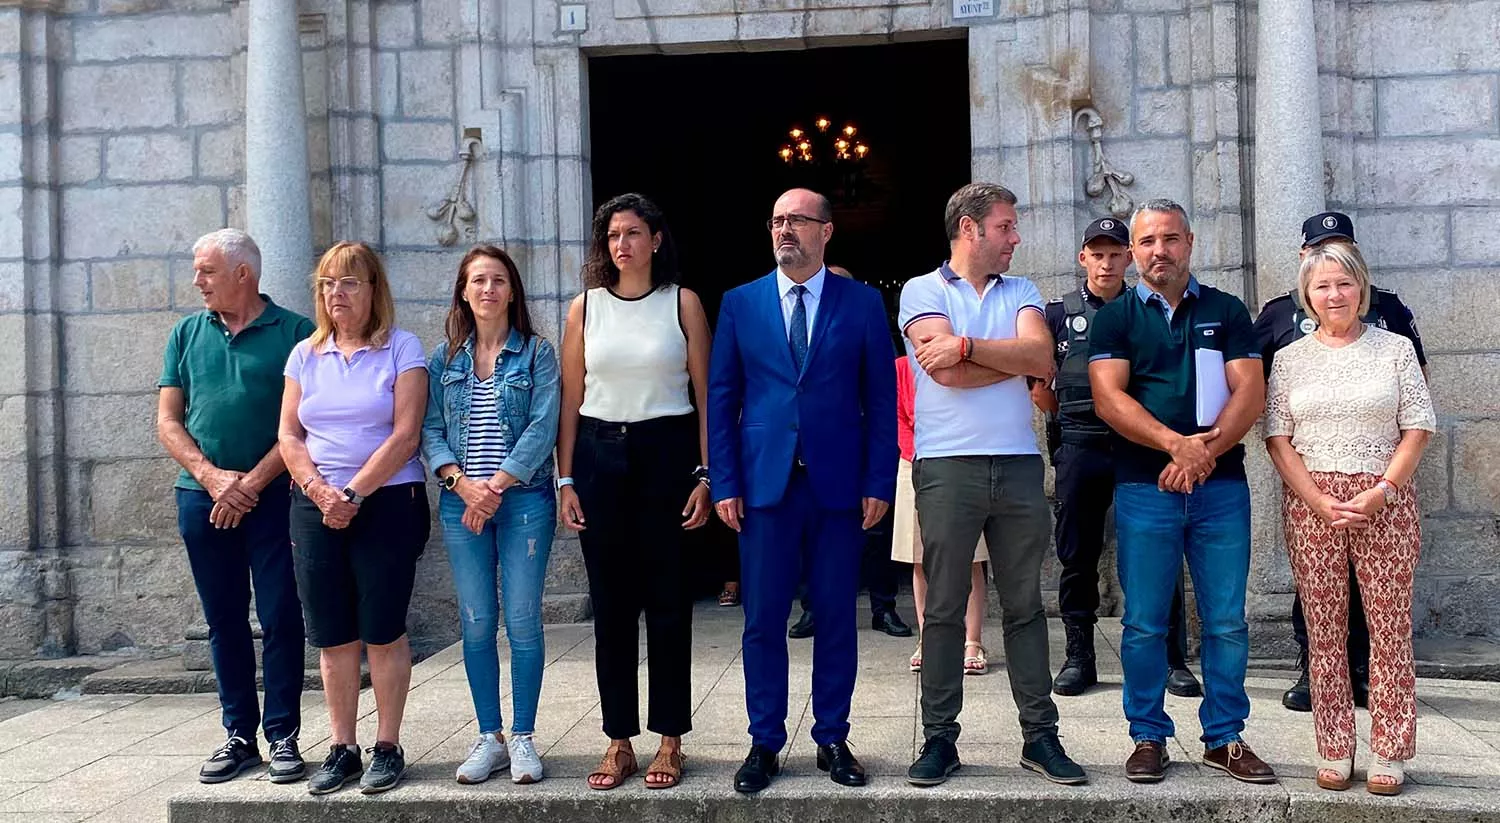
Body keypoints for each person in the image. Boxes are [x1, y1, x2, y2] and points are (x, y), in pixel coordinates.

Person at [709, 188, 897, 793]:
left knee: (839, 615)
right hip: (765, 487)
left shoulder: (863, 304)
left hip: (839, 485)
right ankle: (764, 742)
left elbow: (880, 400)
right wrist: (724, 481)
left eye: (797, 221)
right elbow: (722, 399)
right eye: (777, 221)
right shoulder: (740, 303)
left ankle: (832, 737)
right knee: (763, 620)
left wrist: (879, 478)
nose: (785, 229)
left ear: (826, 231)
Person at [898, 182, 1084, 788]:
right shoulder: (921, 290)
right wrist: (1006, 357)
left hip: (1018, 463)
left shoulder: (1023, 290)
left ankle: (1040, 736)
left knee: (1027, 604)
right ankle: (939, 739)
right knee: (946, 607)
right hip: (947, 464)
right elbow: (942, 373)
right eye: (1005, 226)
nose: (1016, 237)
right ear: (970, 229)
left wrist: (971, 345)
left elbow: (1041, 360)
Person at [1088, 199, 1275, 785]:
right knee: (1144, 622)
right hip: (1146, 488)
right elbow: (1109, 399)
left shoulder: (1226, 309)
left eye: (1169, 239)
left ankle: (1225, 737)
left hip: (1220, 489)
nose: (1158, 251)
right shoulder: (1115, 316)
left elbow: (1250, 391)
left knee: (1226, 620)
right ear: (1134, 249)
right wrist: (1176, 446)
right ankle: (1147, 736)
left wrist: (1204, 453)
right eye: (1146, 242)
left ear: (1189, 242)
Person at [1264, 240, 1434, 796]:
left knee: (1388, 630)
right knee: (1325, 631)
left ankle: (1390, 749)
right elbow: (1277, 437)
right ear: (1306, 296)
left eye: (1343, 283)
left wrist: (1384, 488)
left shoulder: (1395, 349)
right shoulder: (1290, 358)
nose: (1333, 294)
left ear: (1360, 287)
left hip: (1383, 500)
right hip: (1314, 504)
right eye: (1321, 286)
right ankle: (1334, 745)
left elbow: (1418, 425)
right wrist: (1314, 497)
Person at [557, 193, 713, 791]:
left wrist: (707, 473)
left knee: (669, 601)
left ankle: (670, 737)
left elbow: (705, 397)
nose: (622, 244)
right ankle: (618, 739)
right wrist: (565, 477)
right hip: (600, 455)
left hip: (668, 454)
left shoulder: (684, 304)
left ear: (656, 240)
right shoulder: (585, 309)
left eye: (632, 233)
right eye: (613, 235)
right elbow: (572, 399)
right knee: (612, 605)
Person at [157, 229, 312, 785]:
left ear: (243, 273)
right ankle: (239, 737)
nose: (197, 281)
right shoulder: (185, 333)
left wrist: (248, 484)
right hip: (200, 498)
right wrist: (212, 477)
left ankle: (285, 735)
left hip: (275, 499)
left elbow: (305, 424)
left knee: (279, 617)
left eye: (207, 271)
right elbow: (168, 420)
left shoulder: (297, 333)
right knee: (223, 620)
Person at [278, 242, 430, 796]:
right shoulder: (304, 354)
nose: (335, 294)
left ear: (373, 291)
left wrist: (352, 492)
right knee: (333, 633)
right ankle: (342, 747)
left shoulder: (401, 348)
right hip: (314, 506)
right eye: (326, 284)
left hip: (387, 502)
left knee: (383, 628)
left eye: (348, 283)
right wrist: (320, 492)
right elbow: (290, 435)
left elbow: (406, 434)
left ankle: (388, 746)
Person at [1031, 217, 1200, 698]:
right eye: (1096, 254)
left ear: (1129, 256)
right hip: (1082, 444)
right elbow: (1042, 388)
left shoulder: (1146, 309)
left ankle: (1169, 660)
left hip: (1140, 446)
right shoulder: (1057, 314)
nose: (1106, 263)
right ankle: (1079, 656)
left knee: (1157, 551)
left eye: (1114, 253)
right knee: (1077, 555)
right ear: (1083, 258)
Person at [421, 245, 560, 785]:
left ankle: (523, 737)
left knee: (522, 619)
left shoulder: (537, 355)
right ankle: (489, 737)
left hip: (521, 501)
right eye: (478, 280)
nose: (488, 289)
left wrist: (495, 487)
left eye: (498, 280)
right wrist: (462, 485)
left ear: (512, 291)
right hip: (462, 506)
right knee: (477, 622)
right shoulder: (444, 359)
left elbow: (542, 427)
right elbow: (430, 431)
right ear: (463, 290)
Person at [785, 266, 913, 641]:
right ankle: (813, 609)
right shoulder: (800, 325)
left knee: (875, 528)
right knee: (812, 531)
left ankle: (883, 607)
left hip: (861, 440)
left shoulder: (865, 322)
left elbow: (884, 389)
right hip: (812, 445)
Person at [894, 353, 990, 675]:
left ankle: (972, 640)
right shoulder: (900, 367)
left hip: (962, 459)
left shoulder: (960, 360)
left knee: (972, 557)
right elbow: (896, 416)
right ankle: (927, 637)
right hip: (914, 460)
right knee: (919, 556)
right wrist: (917, 451)